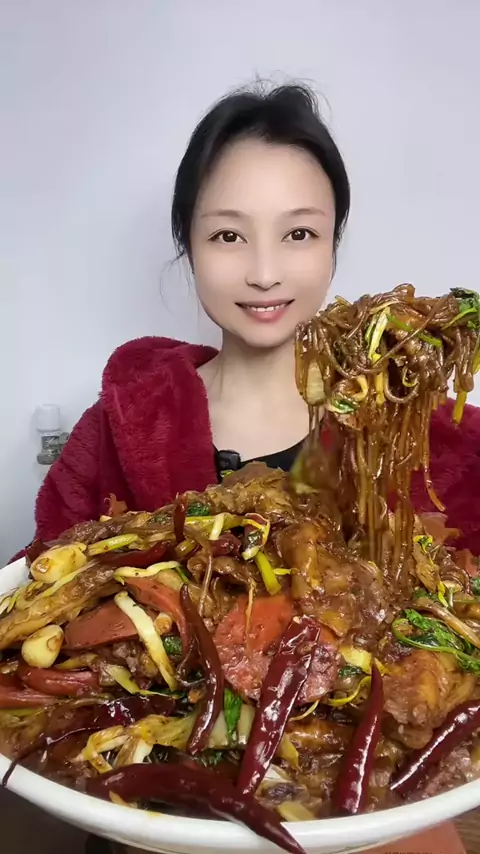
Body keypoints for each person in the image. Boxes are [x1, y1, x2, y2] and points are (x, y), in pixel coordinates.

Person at [15, 81, 480, 854]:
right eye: (229, 235)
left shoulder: (429, 436)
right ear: (188, 245)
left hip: (382, 807)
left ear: (334, 242)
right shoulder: (119, 430)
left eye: (299, 233)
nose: (265, 272)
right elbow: (41, 601)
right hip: (163, 808)